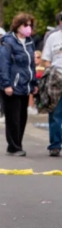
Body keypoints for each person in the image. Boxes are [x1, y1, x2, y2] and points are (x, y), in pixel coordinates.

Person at [0, 13, 37, 157]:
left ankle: (18, 143)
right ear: (18, 26)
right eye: (25, 25)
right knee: (12, 118)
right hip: (12, 86)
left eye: (30, 25)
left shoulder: (30, 42)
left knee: (22, 118)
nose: (28, 28)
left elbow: (31, 64)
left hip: (25, 86)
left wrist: (34, 83)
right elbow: (3, 64)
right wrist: (7, 84)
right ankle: (13, 146)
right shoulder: (9, 42)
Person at [41, 23, 62, 156]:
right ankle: (55, 145)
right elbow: (45, 59)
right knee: (55, 113)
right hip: (56, 79)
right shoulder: (53, 37)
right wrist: (52, 72)